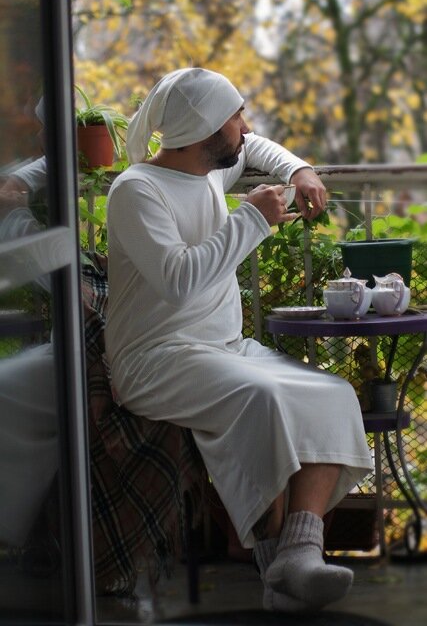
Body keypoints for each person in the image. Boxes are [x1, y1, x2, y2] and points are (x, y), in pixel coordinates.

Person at [105, 68, 373, 612]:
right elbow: (177, 281)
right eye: (237, 115)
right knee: (265, 399)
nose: (246, 127)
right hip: (154, 359)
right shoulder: (136, 190)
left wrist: (299, 169)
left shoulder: (205, 171)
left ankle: (298, 555)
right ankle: (278, 567)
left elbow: (261, 149)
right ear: (205, 128)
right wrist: (252, 220)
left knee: (332, 394)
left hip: (224, 352)